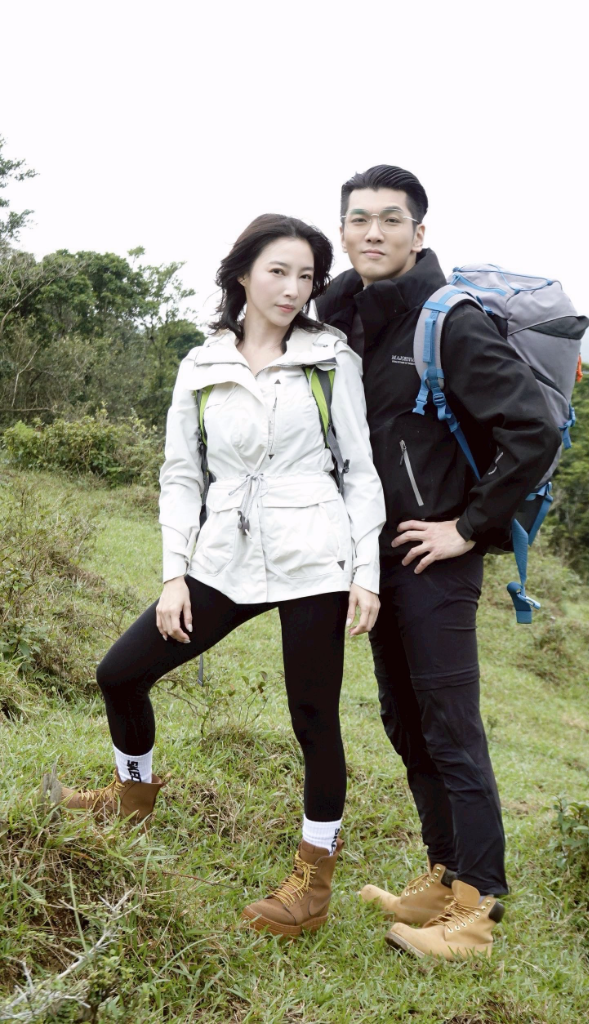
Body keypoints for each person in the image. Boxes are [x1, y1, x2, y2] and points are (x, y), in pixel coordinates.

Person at [49, 214, 386, 938]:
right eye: (278, 271)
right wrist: (174, 575)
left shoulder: (331, 359)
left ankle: (312, 886)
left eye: (306, 277)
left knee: (313, 717)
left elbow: (359, 471)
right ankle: (131, 800)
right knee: (120, 673)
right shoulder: (201, 365)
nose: (292, 289)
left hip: (313, 554)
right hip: (224, 556)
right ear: (242, 274)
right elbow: (181, 475)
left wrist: (367, 571)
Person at [315, 166, 561, 960]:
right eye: (359, 219)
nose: (374, 231)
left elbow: (533, 431)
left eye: (391, 219)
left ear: (419, 232)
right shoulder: (347, 316)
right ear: (343, 232)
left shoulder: (446, 320)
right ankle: (446, 874)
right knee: (405, 718)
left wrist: (468, 527)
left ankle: (479, 910)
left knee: (451, 726)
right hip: (376, 555)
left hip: (436, 560)